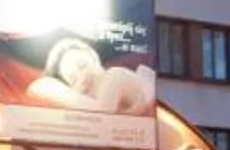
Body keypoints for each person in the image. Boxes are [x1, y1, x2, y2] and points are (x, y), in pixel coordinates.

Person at [26, 36, 157, 113]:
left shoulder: (115, 76)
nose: (82, 76)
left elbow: (103, 113)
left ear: (93, 56)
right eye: (73, 78)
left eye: (82, 65)